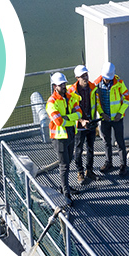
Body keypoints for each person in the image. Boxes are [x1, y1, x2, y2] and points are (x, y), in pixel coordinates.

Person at [45, 72, 82, 202]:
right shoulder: (51, 102)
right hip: (59, 138)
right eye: (61, 85)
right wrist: (70, 119)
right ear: (55, 86)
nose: (64, 86)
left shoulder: (71, 97)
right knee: (64, 165)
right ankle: (66, 193)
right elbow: (58, 122)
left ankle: (65, 187)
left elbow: (79, 113)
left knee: (69, 160)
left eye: (65, 84)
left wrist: (68, 118)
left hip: (70, 133)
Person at [94, 62, 129, 176]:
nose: (107, 81)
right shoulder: (96, 84)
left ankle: (123, 165)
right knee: (106, 142)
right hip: (105, 119)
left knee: (120, 142)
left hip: (117, 119)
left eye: (109, 79)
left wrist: (120, 113)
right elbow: (96, 102)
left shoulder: (119, 83)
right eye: (106, 79)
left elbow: (127, 98)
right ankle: (108, 162)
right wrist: (101, 114)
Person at [68, 65, 100, 184]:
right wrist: (81, 121)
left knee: (91, 148)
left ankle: (89, 171)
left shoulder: (92, 87)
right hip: (79, 126)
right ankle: (80, 172)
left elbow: (96, 103)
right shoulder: (71, 91)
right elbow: (71, 109)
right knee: (79, 149)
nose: (85, 78)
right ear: (77, 77)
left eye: (86, 75)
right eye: (82, 76)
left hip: (90, 124)